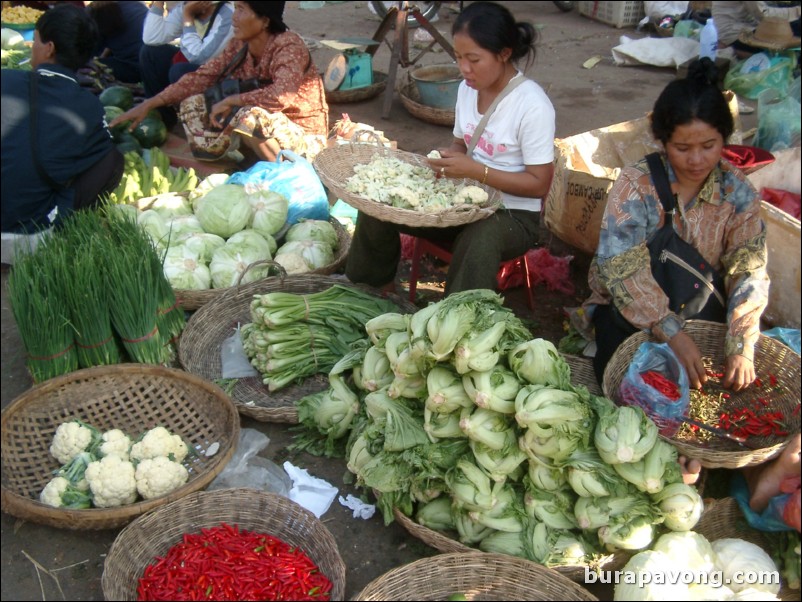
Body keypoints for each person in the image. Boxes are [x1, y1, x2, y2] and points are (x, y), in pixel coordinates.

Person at [575, 58, 769, 391]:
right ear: (663, 143)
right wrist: (672, 332)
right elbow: (620, 269)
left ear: (724, 139)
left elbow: (748, 269)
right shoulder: (637, 185)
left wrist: (740, 343)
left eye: (709, 146)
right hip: (631, 313)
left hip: (700, 310)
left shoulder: (736, 191)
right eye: (682, 148)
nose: (696, 160)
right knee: (629, 390)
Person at [345, 1, 555, 296]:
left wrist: (477, 171)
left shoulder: (532, 106)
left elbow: (539, 184)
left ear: (504, 54)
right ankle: (369, 294)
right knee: (378, 204)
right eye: (458, 57)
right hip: (462, 201)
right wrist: (448, 157)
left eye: (474, 59)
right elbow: (462, 142)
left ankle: (458, 322)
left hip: (511, 216)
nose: (464, 68)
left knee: (480, 235)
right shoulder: (467, 89)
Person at [110, 1, 327, 163]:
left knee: (250, 117)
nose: (234, 17)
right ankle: (238, 162)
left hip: (304, 135)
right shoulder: (239, 44)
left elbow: (282, 95)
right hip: (265, 124)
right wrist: (150, 103)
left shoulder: (289, 46)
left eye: (241, 9)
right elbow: (201, 77)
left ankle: (284, 172)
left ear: (265, 20)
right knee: (192, 105)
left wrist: (233, 100)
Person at [1, 3, 123, 243]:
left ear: (49, 48)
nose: (32, 47)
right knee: (112, 157)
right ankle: (64, 226)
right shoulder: (89, 106)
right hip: (31, 234)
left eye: (35, 40)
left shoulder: (5, 81)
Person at [140, 0, 234, 127]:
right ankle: (162, 118)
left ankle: (201, 125)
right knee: (150, 53)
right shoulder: (187, 7)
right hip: (197, 64)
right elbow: (151, 38)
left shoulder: (227, 14)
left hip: (220, 78)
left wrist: (188, 19)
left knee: (181, 71)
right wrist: (158, 3)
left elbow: (198, 57)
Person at [85, 1, 148, 84]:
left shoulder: (99, 16)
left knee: (88, 65)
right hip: (154, 63)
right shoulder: (136, 5)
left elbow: (89, 53)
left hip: (135, 68)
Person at [712, 1, 801, 57]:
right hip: (735, 34)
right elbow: (763, 14)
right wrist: (798, 11)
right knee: (795, 27)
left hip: (746, 26)